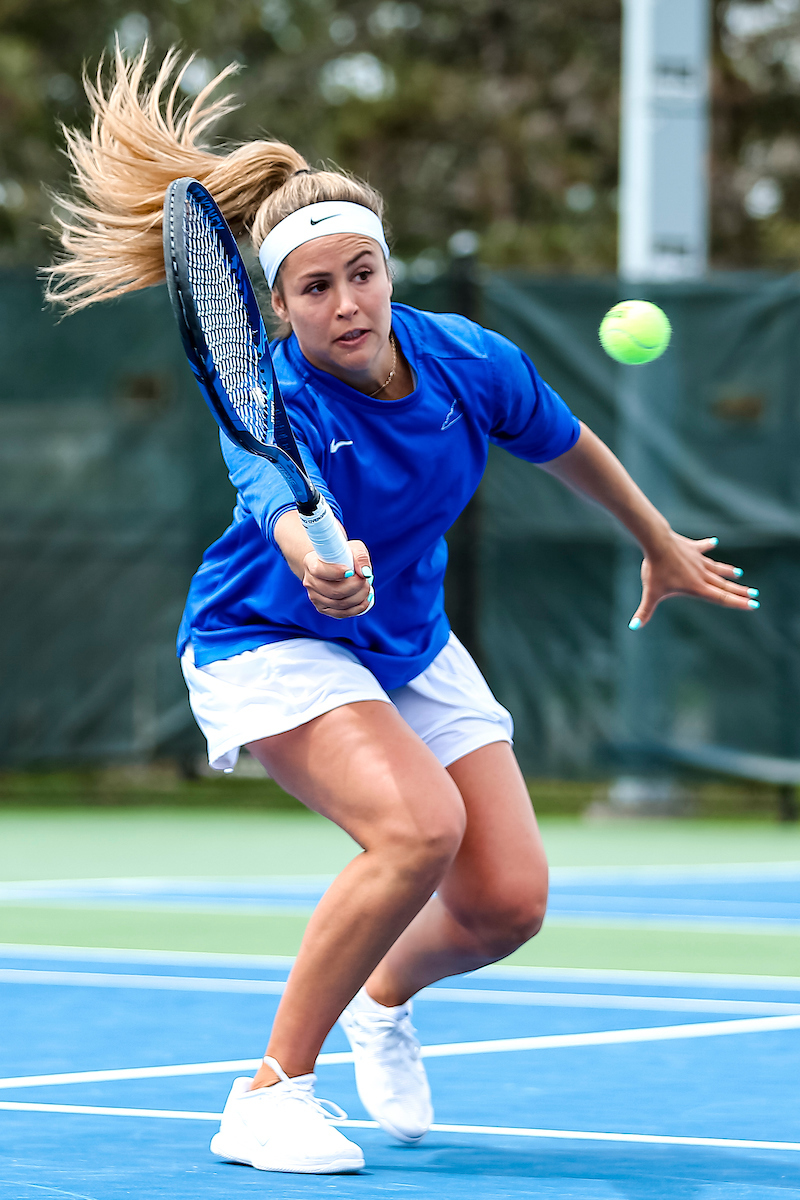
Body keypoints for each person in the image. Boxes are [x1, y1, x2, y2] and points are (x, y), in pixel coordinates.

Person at [47, 46, 760, 1176]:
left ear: (387, 270)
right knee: (417, 829)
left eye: (362, 274)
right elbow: (276, 502)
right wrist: (315, 563)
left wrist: (658, 542)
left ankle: (383, 995)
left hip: (407, 645)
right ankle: (266, 1094)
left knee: (506, 904)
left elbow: (565, 444)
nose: (347, 304)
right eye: (315, 289)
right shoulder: (272, 399)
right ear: (276, 307)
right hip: (268, 642)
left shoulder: (463, 356)